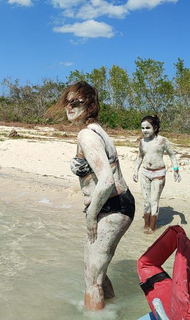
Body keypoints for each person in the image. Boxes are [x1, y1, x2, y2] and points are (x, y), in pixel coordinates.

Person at [52, 81, 135, 310]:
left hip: (112, 205)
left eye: (75, 102)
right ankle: (112, 312)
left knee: (92, 279)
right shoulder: (97, 131)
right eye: (67, 102)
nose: (69, 107)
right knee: (99, 273)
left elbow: (106, 180)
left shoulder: (87, 136)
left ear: (90, 106)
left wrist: (91, 216)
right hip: (117, 204)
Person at [133, 115, 181, 234]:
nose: (144, 131)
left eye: (147, 128)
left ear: (155, 127)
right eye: (142, 128)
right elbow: (139, 157)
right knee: (146, 200)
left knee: (154, 200)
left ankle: (152, 227)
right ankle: (146, 225)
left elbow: (172, 155)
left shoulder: (163, 140)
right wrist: (135, 171)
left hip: (158, 173)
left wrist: (176, 170)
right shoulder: (142, 142)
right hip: (145, 172)